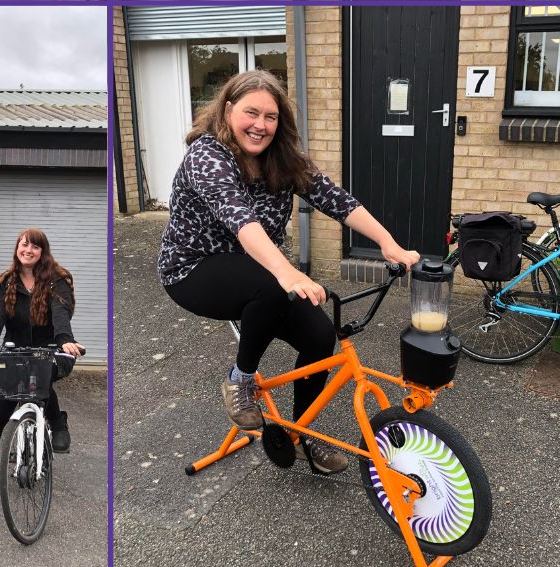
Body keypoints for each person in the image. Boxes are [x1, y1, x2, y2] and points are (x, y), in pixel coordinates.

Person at [157, 70, 419, 474]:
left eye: (271, 117)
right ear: (228, 110)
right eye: (251, 113)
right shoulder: (208, 155)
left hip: (258, 271)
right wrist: (287, 273)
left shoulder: (282, 159)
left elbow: (334, 197)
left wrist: (388, 243)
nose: (260, 125)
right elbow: (240, 218)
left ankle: (302, 433)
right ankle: (240, 380)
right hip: (193, 268)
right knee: (273, 285)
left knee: (320, 335)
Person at [0, 228, 85, 502]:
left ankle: (57, 421)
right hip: (16, 354)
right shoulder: (7, 282)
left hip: (51, 351)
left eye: (35, 247)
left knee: (42, 372)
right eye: (24, 245)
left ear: (42, 251)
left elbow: (61, 313)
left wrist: (65, 341)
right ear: (17, 248)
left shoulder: (56, 280)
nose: (29, 250)